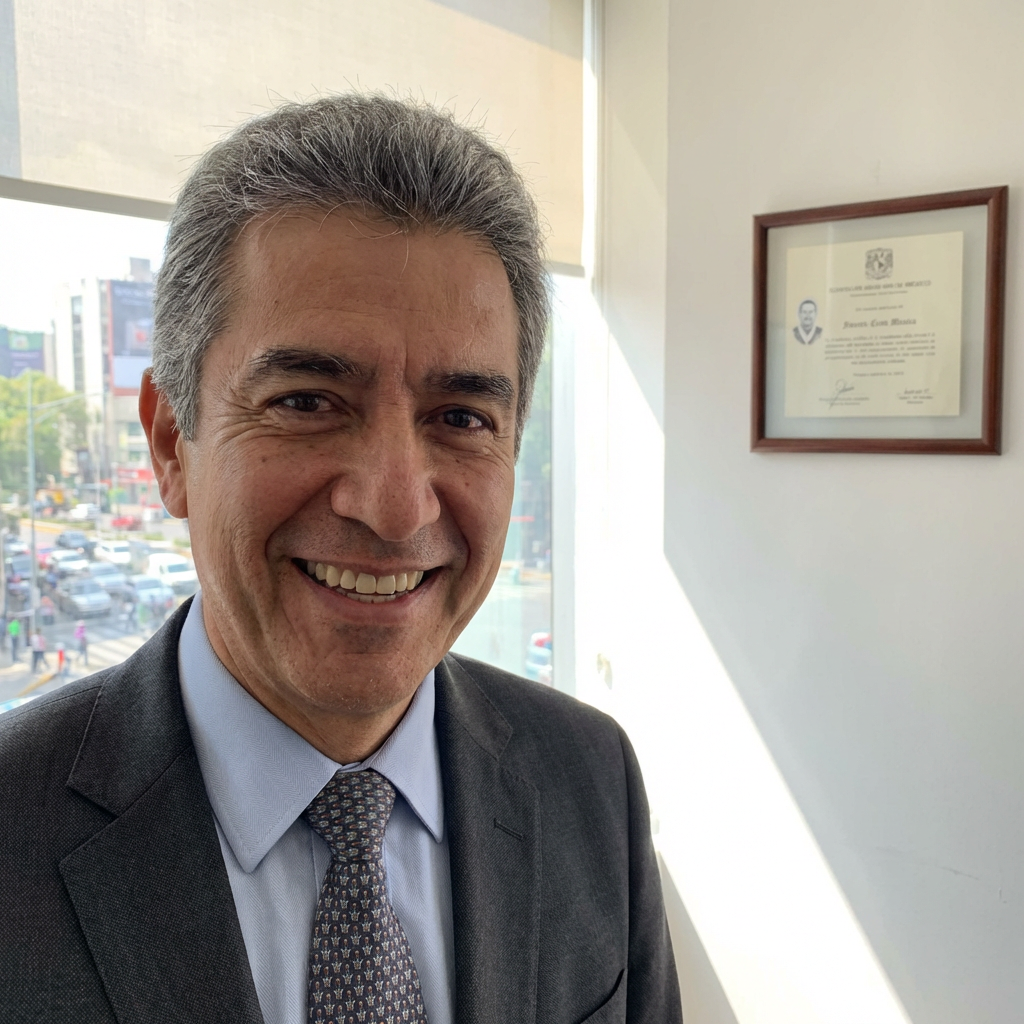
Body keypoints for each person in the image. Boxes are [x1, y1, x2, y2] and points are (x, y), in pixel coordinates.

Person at [0, 95, 681, 1024]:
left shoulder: (588, 774)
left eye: (462, 419)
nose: (397, 508)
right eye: (308, 401)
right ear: (169, 443)